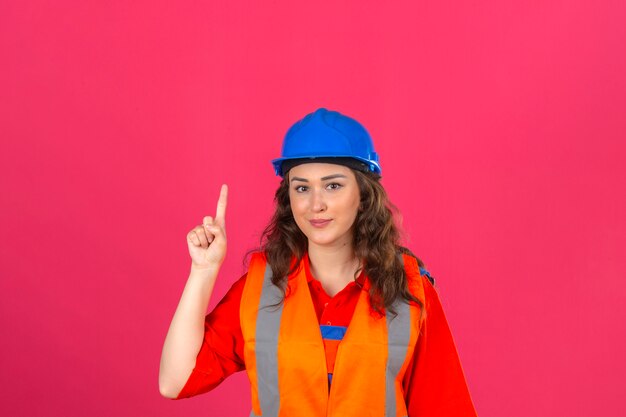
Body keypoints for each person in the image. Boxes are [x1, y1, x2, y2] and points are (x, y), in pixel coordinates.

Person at [159, 108, 478, 416]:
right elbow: (175, 381)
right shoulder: (261, 288)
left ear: (363, 195)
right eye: (302, 188)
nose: (315, 204)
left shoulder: (410, 291)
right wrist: (203, 271)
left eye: (333, 185)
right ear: (289, 198)